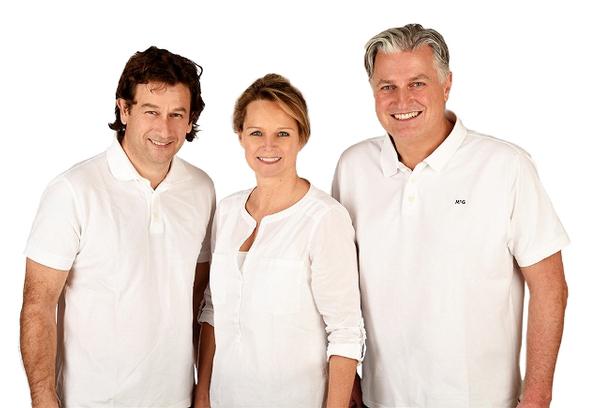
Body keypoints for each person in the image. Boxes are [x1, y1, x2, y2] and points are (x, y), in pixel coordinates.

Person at [332, 24, 569, 408]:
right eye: (387, 86)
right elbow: (336, 286)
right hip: (383, 399)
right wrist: (345, 380)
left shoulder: (505, 166)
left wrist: (538, 396)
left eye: (417, 83)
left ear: (447, 85)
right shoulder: (353, 167)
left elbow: (549, 288)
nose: (401, 99)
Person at [20, 46, 215, 408]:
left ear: (191, 121)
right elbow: (38, 304)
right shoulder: (73, 190)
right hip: (90, 400)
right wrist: (43, 397)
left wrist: (203, 390)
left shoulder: (202, 189)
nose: (164, 128)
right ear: (124, 110)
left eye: (177, 114)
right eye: (151, 111)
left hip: (175, 399)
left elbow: (198, 297)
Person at [195, 73, 365, 408]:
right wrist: (203, 392)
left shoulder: (324, 218)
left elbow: (345, 332)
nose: (268, 145)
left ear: (302, 137)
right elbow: (213, 310)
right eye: (256, 132)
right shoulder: (227, 211)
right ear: (240, 136)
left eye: (282, 133)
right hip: (225, 399)